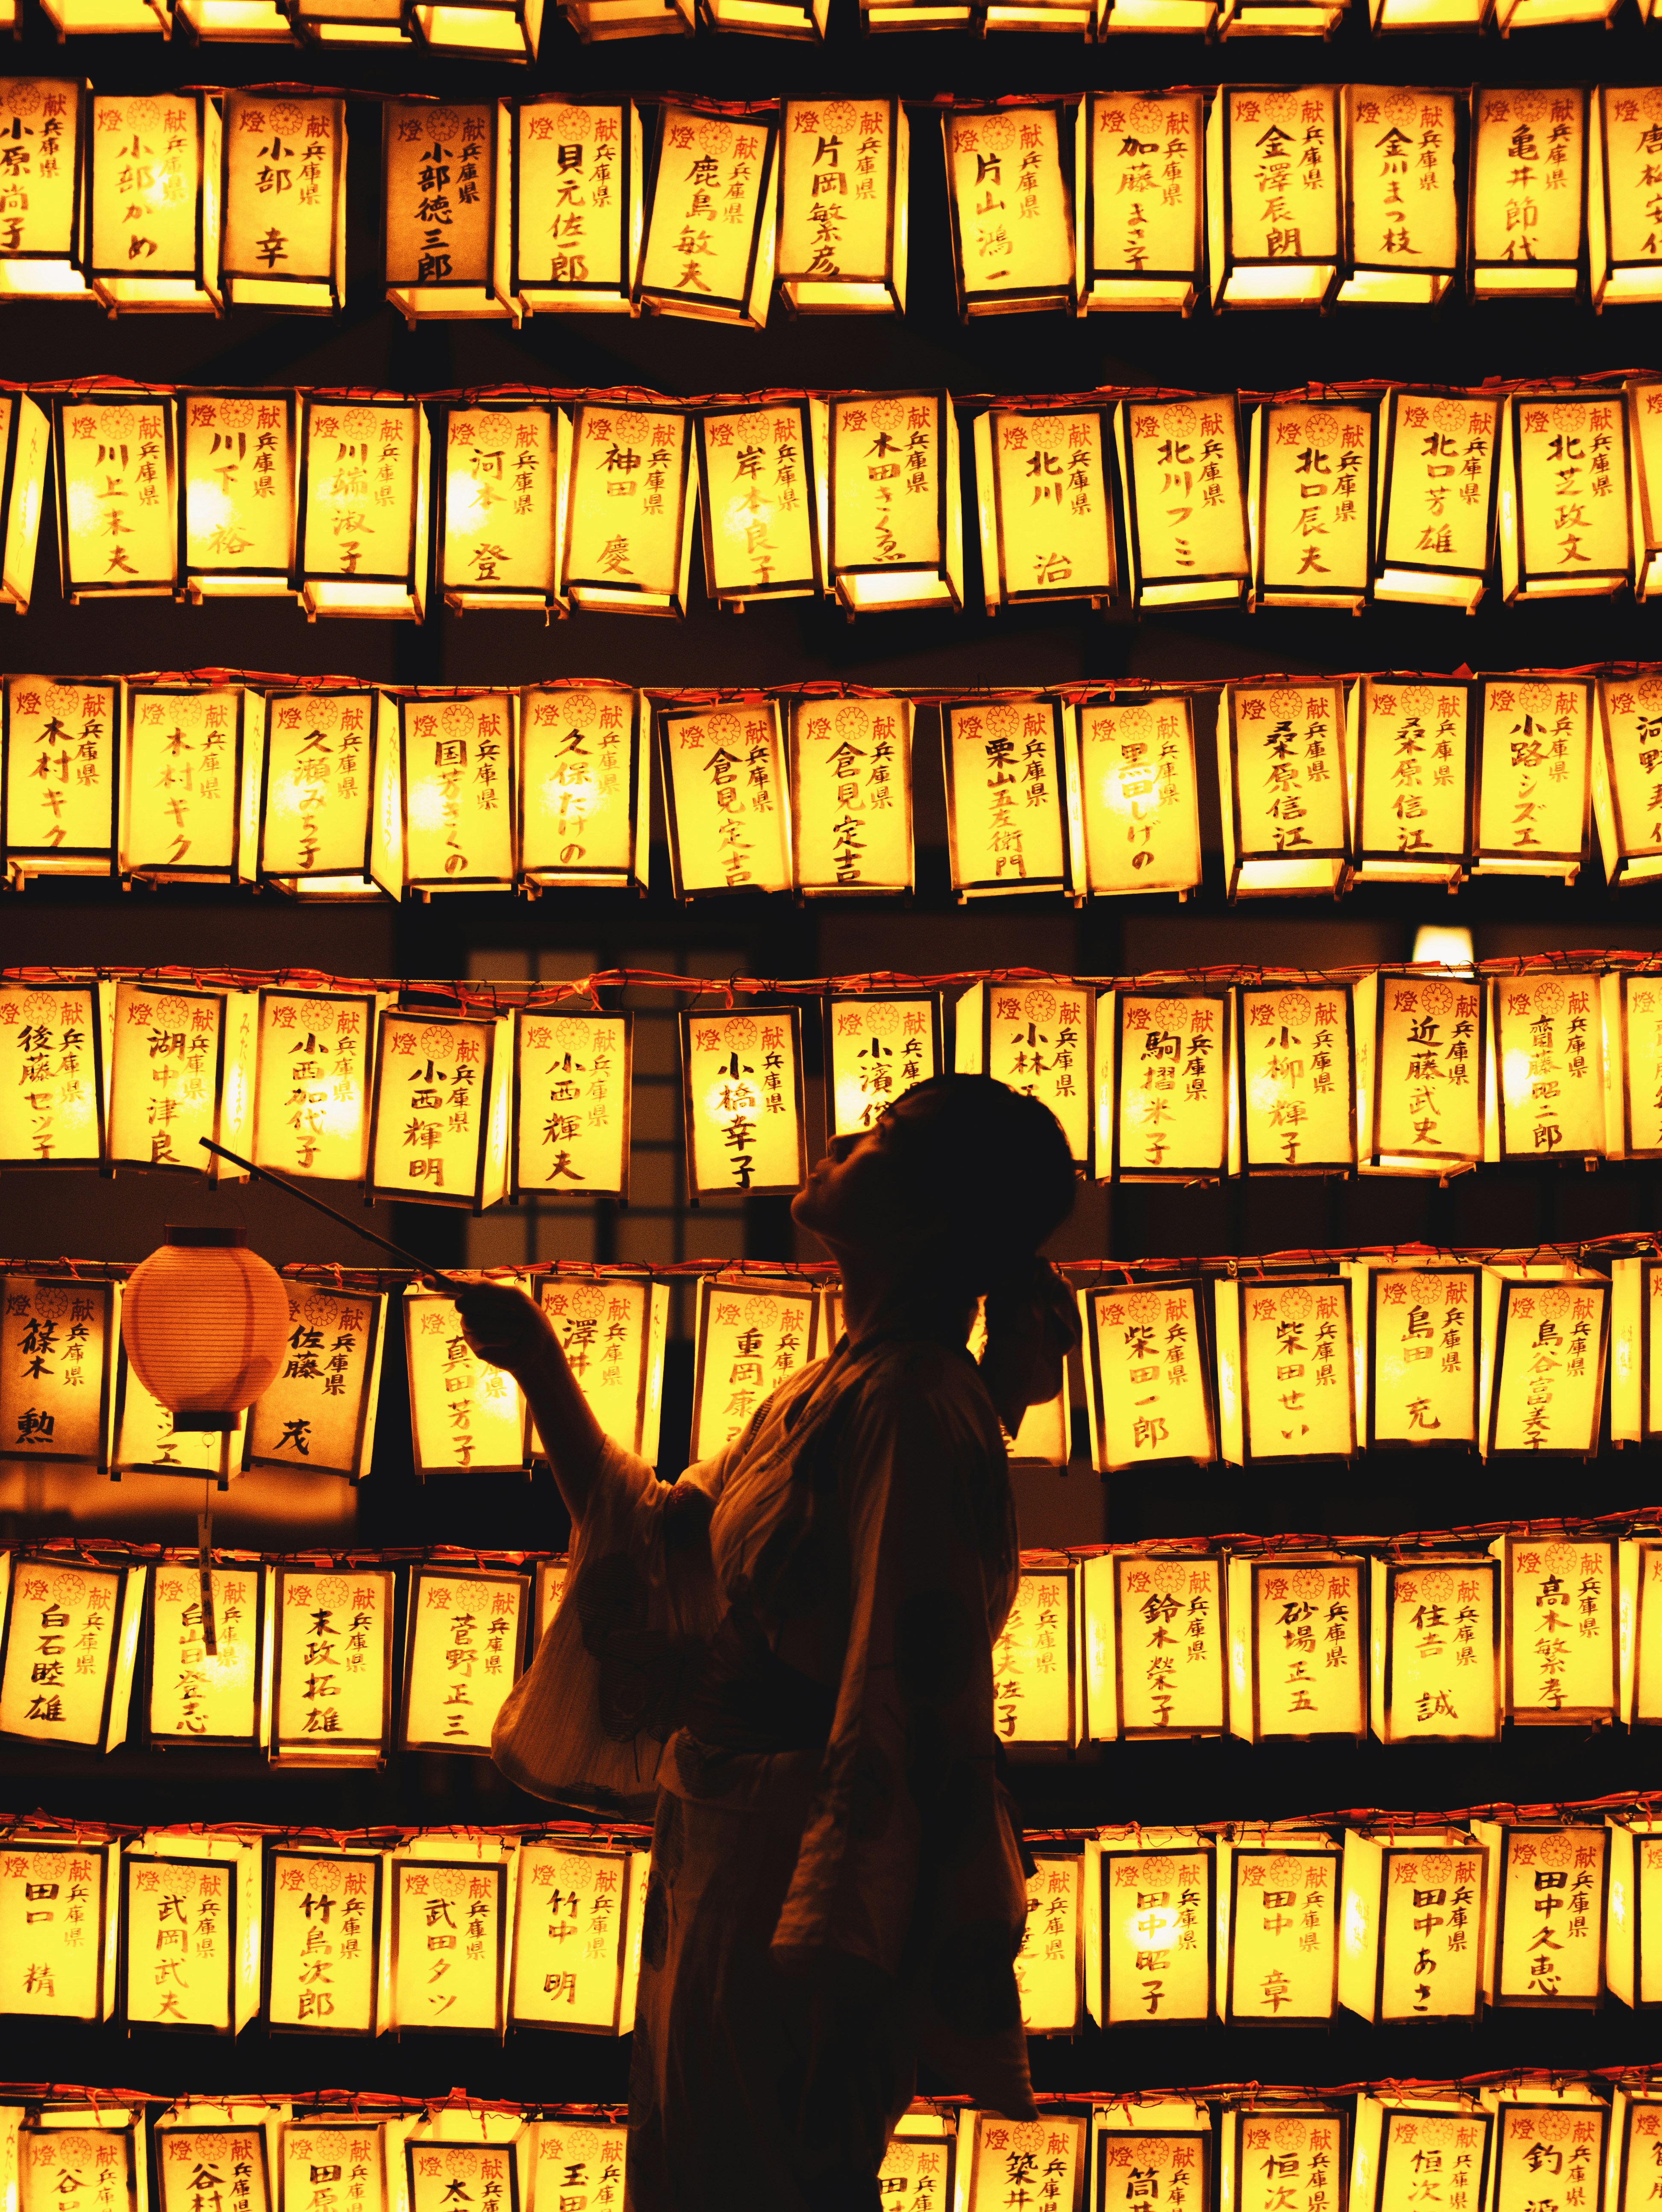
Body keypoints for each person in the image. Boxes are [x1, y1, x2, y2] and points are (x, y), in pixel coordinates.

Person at [458, 1073, 1080, 2212]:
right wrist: (538, 1363)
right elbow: (666, 1542)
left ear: (932, 1211)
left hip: (793, 1868)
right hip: (726, 1826)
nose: (845, 1137)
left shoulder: (910, 1406)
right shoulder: (836, 1383)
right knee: (702, 2164)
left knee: (761, 2173)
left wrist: (847, 1936)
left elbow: (904, 1689)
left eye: (886, 1135)